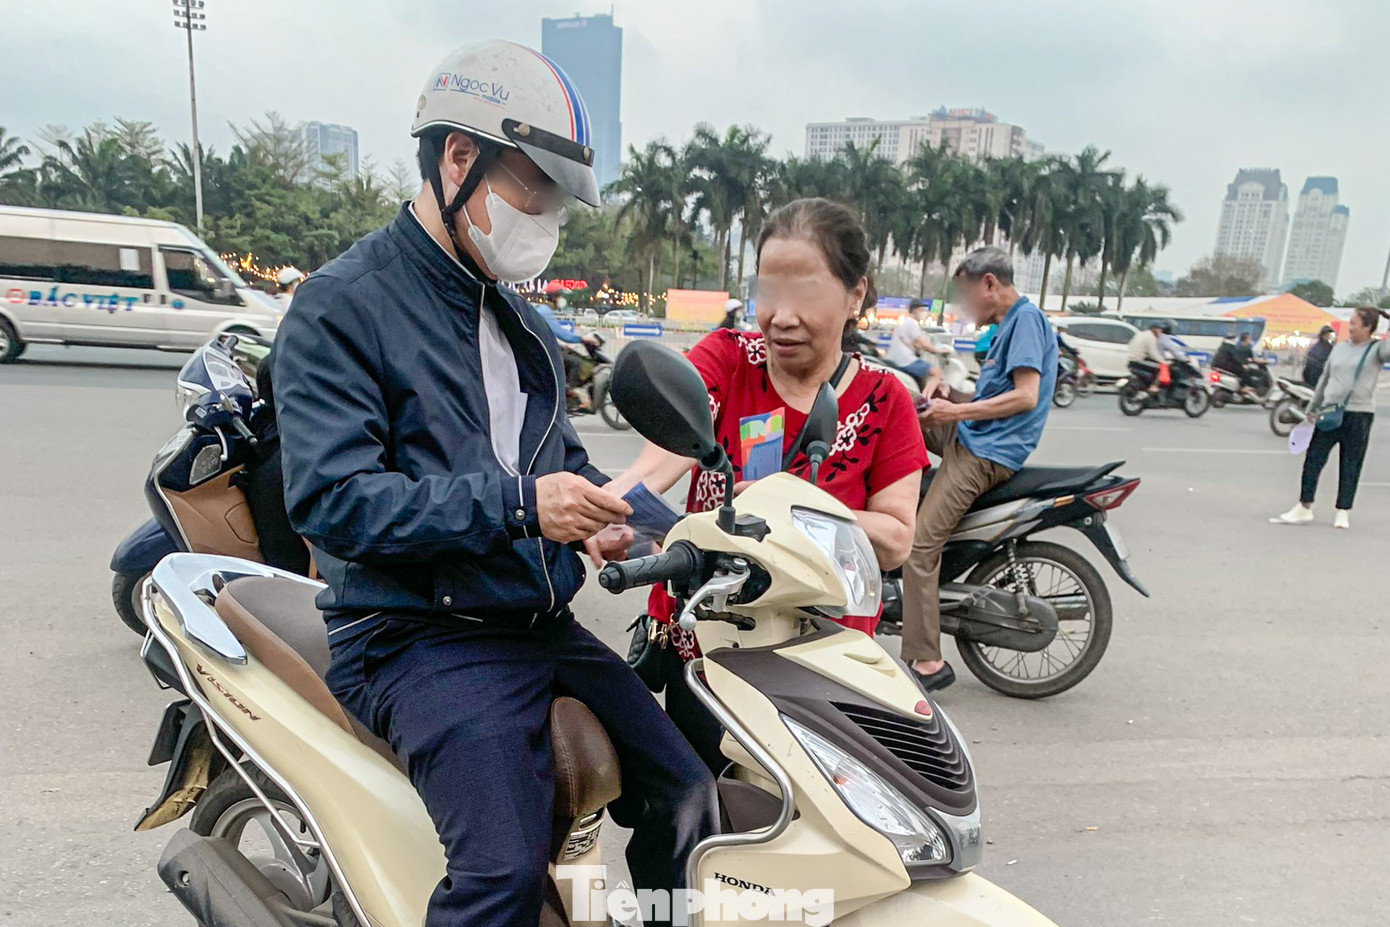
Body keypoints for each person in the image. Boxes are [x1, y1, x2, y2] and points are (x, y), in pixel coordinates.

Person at [271, 41, 717, 927]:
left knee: (693, 794)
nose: (547, 216)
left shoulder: (520, 317)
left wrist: (627, 520)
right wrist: (522, 507)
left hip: (534, 621)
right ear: (459, 159)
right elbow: (332, 499)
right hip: (413, 637)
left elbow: (558, 464)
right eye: (534, 190)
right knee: (503, 878)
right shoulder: (342, 305)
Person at [606, 197, 929, 772]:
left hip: (823, 666)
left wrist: (789, 512)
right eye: (768, 293)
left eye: (805, 294)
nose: (781, 316)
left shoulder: (885, 398)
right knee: (688, 827)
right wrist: (616, 506)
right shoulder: (729, 361)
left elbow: (897, 535)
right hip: (706, 653)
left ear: (855, 295)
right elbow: (659, 461)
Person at [902, 247, 1057, 691]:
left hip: (984, 455)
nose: (965, 307)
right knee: (898, 417)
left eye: (967, 295)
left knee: (919, 548)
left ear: (990, 283)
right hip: (973, 438)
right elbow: (992, 398)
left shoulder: (1025, 320)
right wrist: (948, 394)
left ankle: (927, 664)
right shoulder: (1008, 325)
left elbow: (1026, 396)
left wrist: (953, 415)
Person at [1272, 306, 1390, 530]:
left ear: (1368, 328)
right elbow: (1325, 378)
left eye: (1355, 323)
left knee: (1350, 463)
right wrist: (1313, 407)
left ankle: (1343, 511)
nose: (1351, 327)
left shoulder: (1376, 350)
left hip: (1359, 414)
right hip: (1329, 411)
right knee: (1314, 459)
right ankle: (1304, 506)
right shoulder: (1339, 349)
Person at [888, 297, 947, 385]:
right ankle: (926, 396)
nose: (924, 313)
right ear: (915, 310)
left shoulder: (905, 322)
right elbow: (923, 344)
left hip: (897, 359)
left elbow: (917, 344)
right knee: (936, 372)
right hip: (906, 360)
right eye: (922, 310)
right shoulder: (911, 323)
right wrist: (939, 351)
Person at [1127, 320, 1169, 393]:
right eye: (1159, 329)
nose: (1160, 332)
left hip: (1131, 359)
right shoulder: (1151, 337)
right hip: (1138, 360)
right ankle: (1153, 387)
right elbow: (1153, 353)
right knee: (1159, 368)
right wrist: (1164, 362)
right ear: (1154, 329)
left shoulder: (1141, 334)